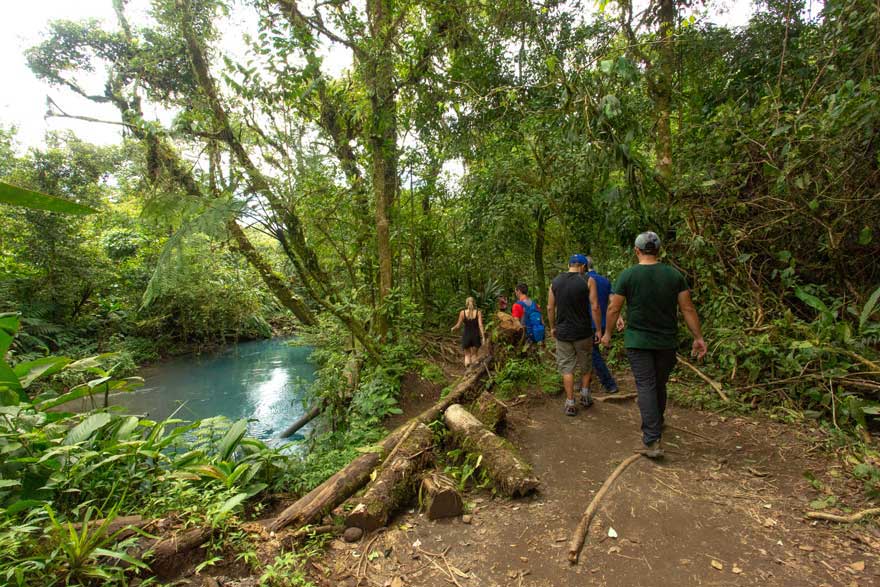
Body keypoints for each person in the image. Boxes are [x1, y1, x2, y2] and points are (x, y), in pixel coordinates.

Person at [601, 232, 707, 459]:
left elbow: (613, 308)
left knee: (647, 385)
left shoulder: (628, 276)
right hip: (666, 341)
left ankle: (651, 440)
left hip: (638, 342)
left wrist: (607, 333)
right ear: (659, 250)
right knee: (659, 383)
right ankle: (657, 423)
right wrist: (698, 337)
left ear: (636, 251)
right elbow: (687, 309)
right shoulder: (673, 275)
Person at [547, 255, 603, 416]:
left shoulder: (555, 282)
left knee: (567, 369)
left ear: (569, 265)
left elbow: (550, 308)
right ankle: (585, 395)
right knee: (586, 364)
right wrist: (598, 329)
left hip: (563, 333)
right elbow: (595, 306)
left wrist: (552, 327)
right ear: (583, 267)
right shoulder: (588, 280)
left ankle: (570, 402)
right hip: (583, 332)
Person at [579, 256, 621, 394]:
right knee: (591, 352)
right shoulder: (604, 280)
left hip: (589, 323)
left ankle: (609, 384)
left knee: (593, 354)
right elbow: (612, 300)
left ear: (583, 266)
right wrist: (618, 316)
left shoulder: (583, 281)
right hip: (604, 323)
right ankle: (587, 383)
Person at [451, 296, 485, 367]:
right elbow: (480, 325)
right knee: (474, 355)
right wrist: (483, 336)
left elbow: (458, 325)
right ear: (474, 303)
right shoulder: (478, 312)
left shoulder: (462, 313)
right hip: (476, 336)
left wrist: (453, 328)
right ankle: (474, 371)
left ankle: (467, 369)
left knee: (467, 355)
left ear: (466, 304)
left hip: (466, 336)